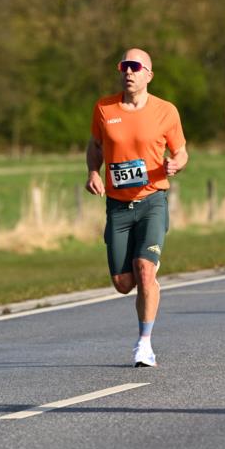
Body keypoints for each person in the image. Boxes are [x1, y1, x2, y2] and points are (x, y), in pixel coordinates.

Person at [86, 48, 188, 367]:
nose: (128, 72)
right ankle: (147, 280)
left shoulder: (165, 111)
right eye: (124, 66)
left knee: (144, 271)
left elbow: (182, 151)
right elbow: (95, 145)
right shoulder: (104, 108)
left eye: (135, 67)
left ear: (148, 75)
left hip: (152, 200)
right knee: (123, 283)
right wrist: (92, 171)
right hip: (117, 206)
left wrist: (176, 165)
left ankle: (144, 344)